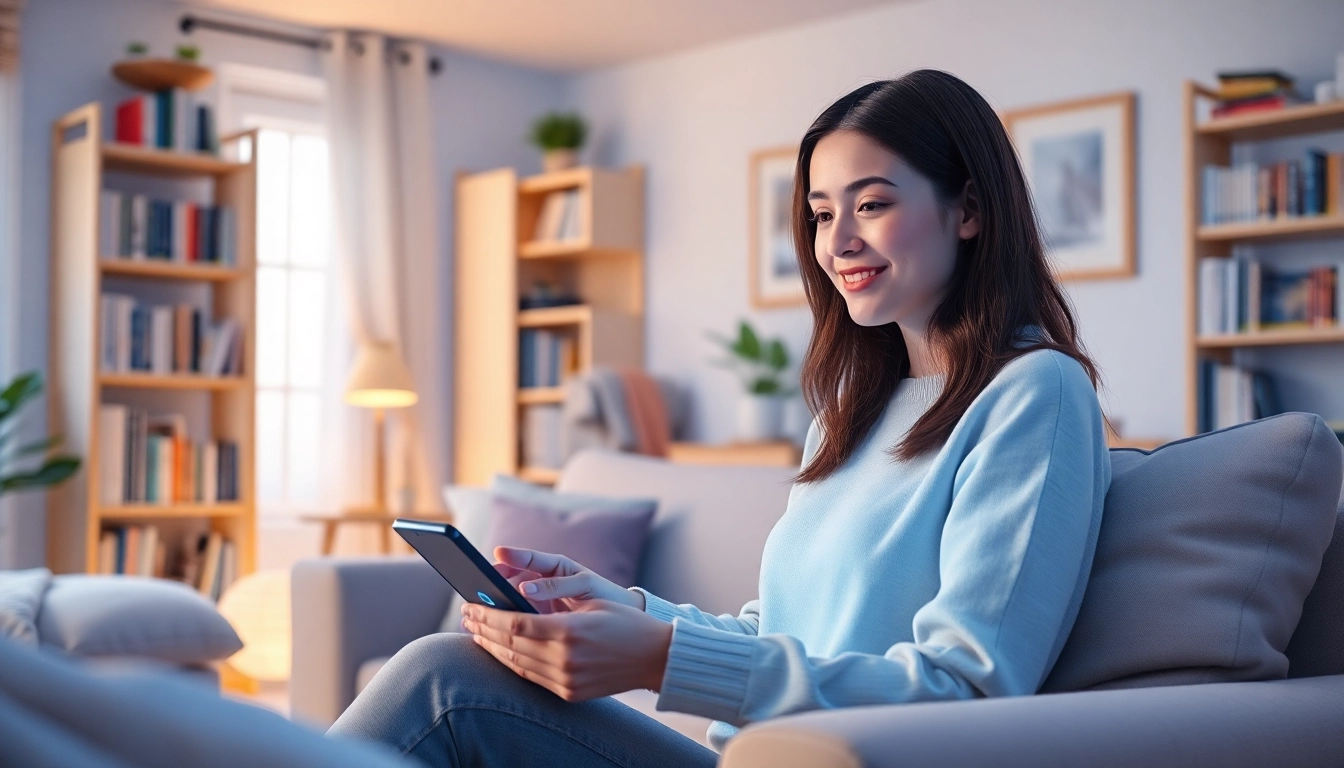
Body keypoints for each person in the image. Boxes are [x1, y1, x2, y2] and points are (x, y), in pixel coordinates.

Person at [328, 69, 1112, 767]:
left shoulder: (1033, 394)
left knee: (444, 687)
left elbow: (969, 689)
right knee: (449, 672)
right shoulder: (851, 414)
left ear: (968, 209)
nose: (837, 242)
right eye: (818, 213)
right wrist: (620, 607)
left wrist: (659, 660)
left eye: (871, 204)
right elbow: (779, 633)